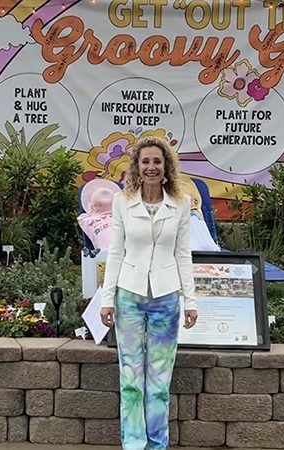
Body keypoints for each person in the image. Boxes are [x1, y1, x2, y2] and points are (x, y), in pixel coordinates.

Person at [99, 136, 198, 450]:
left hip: (166, 299)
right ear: (137, 167)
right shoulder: (122, 202)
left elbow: (183, 253)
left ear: (166, 166)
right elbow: (115, 252)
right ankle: (133, 443)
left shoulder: (181, 203)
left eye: (157, 161)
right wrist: (106, 299)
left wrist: (191, 301)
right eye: (146, 162)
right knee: (131, 378)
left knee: (158, 381)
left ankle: (157, 444)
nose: (151, 167)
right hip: (129, 296)